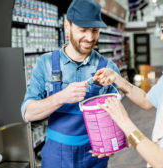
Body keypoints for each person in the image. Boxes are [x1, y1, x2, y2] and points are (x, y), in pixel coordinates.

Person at [92, 0, 163, 167]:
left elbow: (162, 161)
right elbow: (146, 100)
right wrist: (117, 78)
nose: (162, 36)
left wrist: (123, 120)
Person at [21, 0, 119, 167]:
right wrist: (61, 97)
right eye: (83, 30)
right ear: (67, 26)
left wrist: (112, 139)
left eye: (94, 31)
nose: (90, 38)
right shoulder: (46, 63)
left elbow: (116, 113)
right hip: (56, 155)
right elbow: (28, 113)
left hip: (94, 155)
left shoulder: (108, 68)